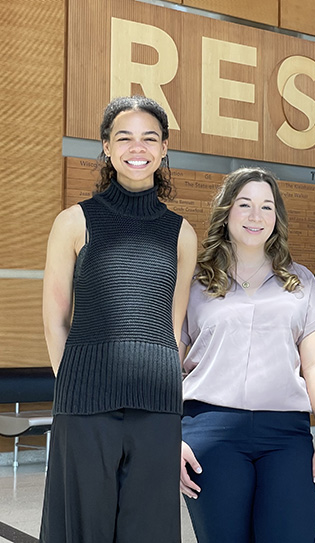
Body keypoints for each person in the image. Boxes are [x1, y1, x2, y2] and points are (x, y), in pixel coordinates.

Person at [40, 96, 198, 543]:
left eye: (150, 138)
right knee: (81, 529)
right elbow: (55, 318)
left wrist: (173, 399)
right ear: (106, 148)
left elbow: (172, 326)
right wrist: (71, 384)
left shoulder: (182, 234)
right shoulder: (74, 222)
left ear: (164, 148)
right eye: (124, 137)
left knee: (148, 530)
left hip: (157, 402)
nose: (137, 147)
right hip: (84, 403)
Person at [178, 167, 315, 543]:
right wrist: (171, 435)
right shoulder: (194, 283)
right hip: (209, 431)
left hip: (286, 435)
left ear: (277, 218)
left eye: (267, 207)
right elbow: (170, 357)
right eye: (245, 205)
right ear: (226, 211)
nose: (256, 216)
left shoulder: (301, 282)